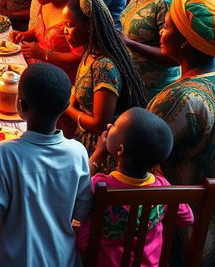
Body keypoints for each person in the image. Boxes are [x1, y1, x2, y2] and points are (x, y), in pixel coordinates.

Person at [0, 63, 92, 267]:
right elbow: (81, 212)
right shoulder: (78, 153)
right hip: (62, 259)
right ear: (66, 106)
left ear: (19, 106)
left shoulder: (5, 153)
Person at [148, 0, 215, 267]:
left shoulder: (179, 98)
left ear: (186, 40)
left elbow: (140, 160)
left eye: (166, 27)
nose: (161, 33)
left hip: (182, 216)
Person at [76, 108, 194, 267]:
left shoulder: (100, 184)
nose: (110, 126)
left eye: (115, 125)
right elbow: (187, 218)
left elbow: (83, 239)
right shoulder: (163, 188)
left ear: (120, 149)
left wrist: (98, 152)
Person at [63, 0, 147, 158]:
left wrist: (67, 108)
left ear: (89, 27)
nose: (64, 31)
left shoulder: (104, 67)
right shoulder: (89, 53)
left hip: (100, 151)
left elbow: (100, 124)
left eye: (70, 25)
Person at [12, 0, 82, 82]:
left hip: (56, 79)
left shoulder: (73, 12)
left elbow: (78, 56)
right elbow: (42, 30)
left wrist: (44, 54)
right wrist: (25, 35)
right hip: (35, 67)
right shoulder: (45, 1)